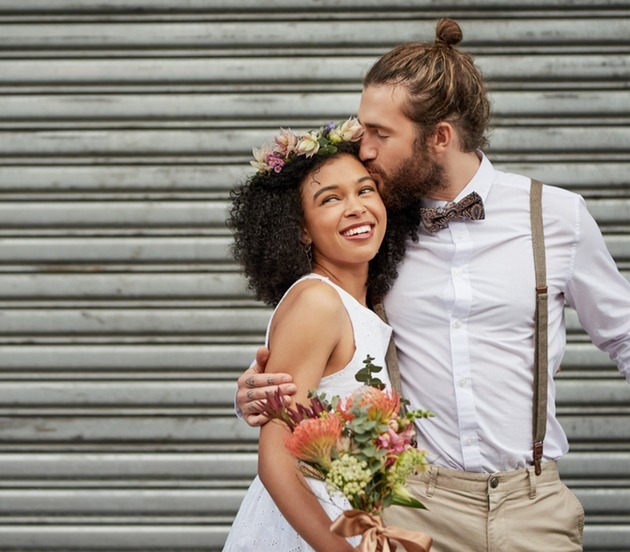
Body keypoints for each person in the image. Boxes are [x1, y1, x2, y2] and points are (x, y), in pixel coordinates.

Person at [234, 18, 630, 552]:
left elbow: (623, 335)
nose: (364, 149)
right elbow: (323, 341)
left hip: (534, 508)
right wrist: (262, 391)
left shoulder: (556, 216)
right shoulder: (376, 228)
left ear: (439, 137)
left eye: (379, 133)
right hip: (412, 507)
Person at [222, 118, 416, 551]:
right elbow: (276, 461)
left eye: (366, 190)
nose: (356, 207)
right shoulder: (318, 303)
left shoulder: (361, 303)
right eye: (330, 198)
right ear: (301, 229)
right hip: (309, 531)